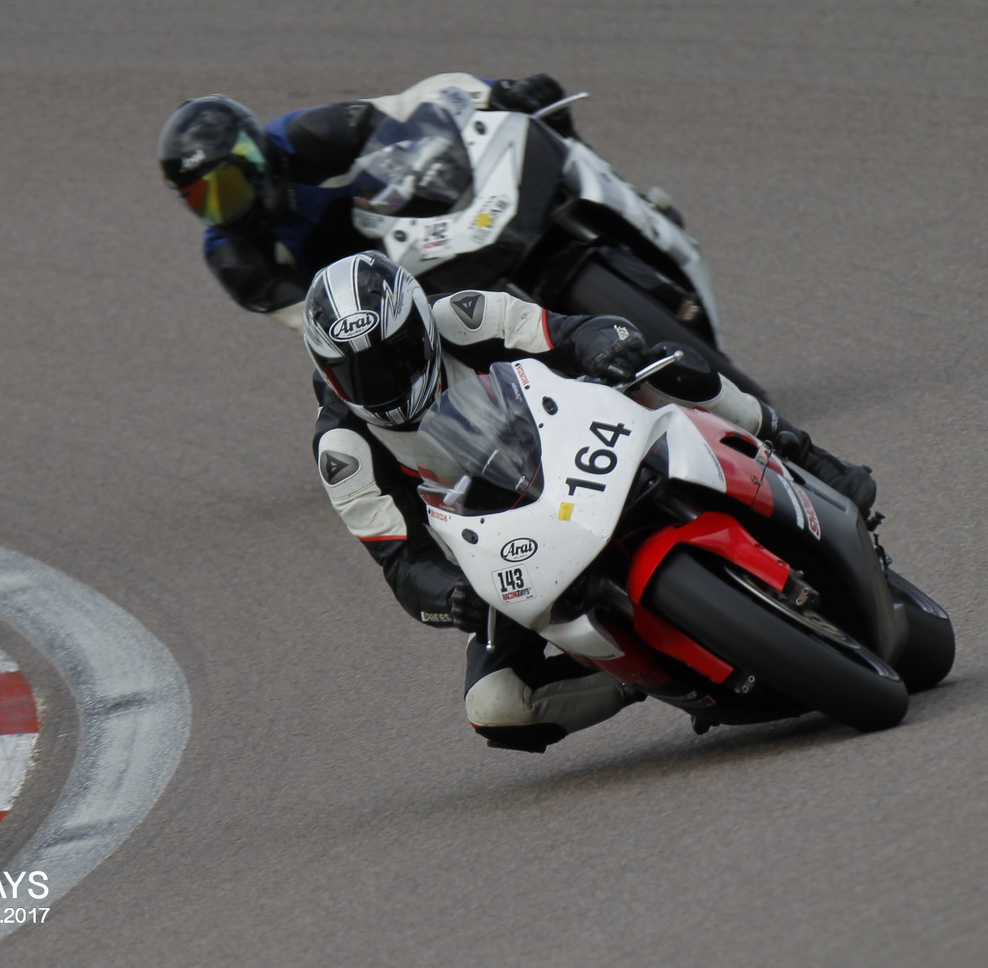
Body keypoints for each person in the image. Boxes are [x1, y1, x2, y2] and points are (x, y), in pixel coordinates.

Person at [304, 250, 875, 753]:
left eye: (395, 356)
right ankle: (643, 670)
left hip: (577, 443)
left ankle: (806, 456)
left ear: (421, 326)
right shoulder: (343, 451)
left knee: (663, 365)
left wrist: (607, 349)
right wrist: (451, 596)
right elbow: (402, 562)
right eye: (357, 374)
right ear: (328, 373)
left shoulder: (465, 315)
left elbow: (573, 330)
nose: (383, 381)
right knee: (496, 705)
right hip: (508, 548)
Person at [158, 72, 651, 330]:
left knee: (538, 113)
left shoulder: (306, 135)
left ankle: (629, 200)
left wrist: (496, 91)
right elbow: (310, 323)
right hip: (384, 297)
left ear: (254, 157)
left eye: (227, 186)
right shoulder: (237, 262)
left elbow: (413, 103)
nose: (222, 206)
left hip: (423, 219)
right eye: (203, 200)